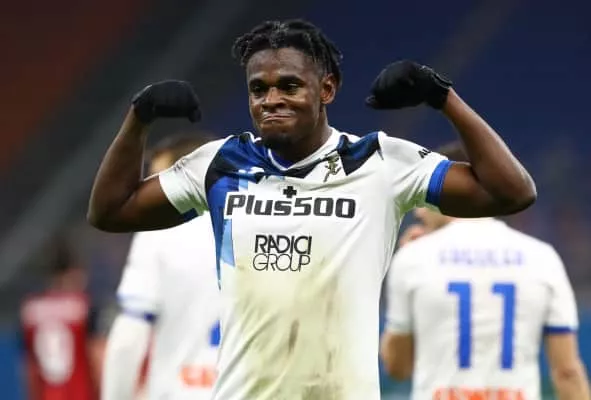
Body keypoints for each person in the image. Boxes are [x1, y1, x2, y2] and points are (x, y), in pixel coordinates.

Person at [87, 19, 536, 400]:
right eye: (258, 89)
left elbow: (511, 192)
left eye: (289, 85)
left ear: (327, 88)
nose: (271, 100)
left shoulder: (379, 161)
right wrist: (138, 119)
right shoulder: (221, 164)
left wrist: (443, 99)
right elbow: (110, 211)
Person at [381, 143, 590, 400]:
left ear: (449, 191)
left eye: (425, 195)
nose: (419, 210)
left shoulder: (414, 257)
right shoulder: (542, 257)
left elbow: (398, 367)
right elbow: (567, 372)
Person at [101, 135, 220, 400]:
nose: (146, 190)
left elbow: (128, 338)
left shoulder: (159, 232)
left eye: (157, 179)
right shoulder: (259, 227)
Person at [20, 240, 103, 400]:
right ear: (72, 273)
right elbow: (97, 356)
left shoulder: (31, 310)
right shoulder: (83, 307)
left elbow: (29, 367)